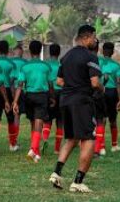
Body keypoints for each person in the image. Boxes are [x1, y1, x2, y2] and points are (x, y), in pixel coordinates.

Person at [49, 25, 104, 193]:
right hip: (82, 102)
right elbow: (94, 83)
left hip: (65, 101)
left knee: (71, 138)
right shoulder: (90, 57)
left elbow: (59, 81)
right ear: (86, 38)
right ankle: (78, 182)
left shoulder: (66, 57)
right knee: (88, 139)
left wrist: (73, 85)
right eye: (94, 37)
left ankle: (56, 173)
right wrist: (102, 89)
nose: (95, 40)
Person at [13, 40, 53, 163]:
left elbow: (20, 85)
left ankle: (36, 153)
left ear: (29, 51)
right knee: (39, 124)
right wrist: (52, 97)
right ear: (40, 50)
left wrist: (15, 101)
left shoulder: (25, 67)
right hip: (42, 96)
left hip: (29, 96)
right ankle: (32, 149)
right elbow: (50, 84)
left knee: (33, 124)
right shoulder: (46, 66)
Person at [0, 40, 16, 154]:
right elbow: (12, 82)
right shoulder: (11, 64)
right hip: (7, 90)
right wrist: (13, 97)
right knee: (10, 119)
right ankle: (12, 145)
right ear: (7, 51)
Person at [101, 42, 120, 153]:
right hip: (112, 92)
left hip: (100, 91)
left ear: (102, 51)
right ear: (113, 52)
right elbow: (118, 82)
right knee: (113, 120)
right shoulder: (116, 66)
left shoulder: (98, 62)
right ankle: (114, 145)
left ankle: (101, 147)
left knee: (102, 119)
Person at [44, 43, 64, 155]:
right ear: (59, 53)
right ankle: (57, 149)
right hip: (60, 93)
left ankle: (45, 139)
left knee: (47, 120)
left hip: (48, 93)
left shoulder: (45, 65)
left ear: (49, 52)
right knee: (60, 121)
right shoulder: (62, 65)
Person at [9, 45, 27, 151]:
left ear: (13, 52)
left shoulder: (11, 62)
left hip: (11, 90)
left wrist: (11, 93)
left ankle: (12, 141)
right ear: (22, 52)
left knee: (12, 117)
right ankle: (13, 142)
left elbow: (11, 79)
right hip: (20, 91)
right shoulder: (25, 62)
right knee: (17, 116)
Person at [90, 40, 107, 158]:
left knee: (88, 121)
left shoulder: (83, 59)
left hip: (86, 94)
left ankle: (86, 148)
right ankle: (98, 148)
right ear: (97, 49)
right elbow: (104, 77)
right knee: (100, 120)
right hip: (98, 94)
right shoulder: (101, 61)